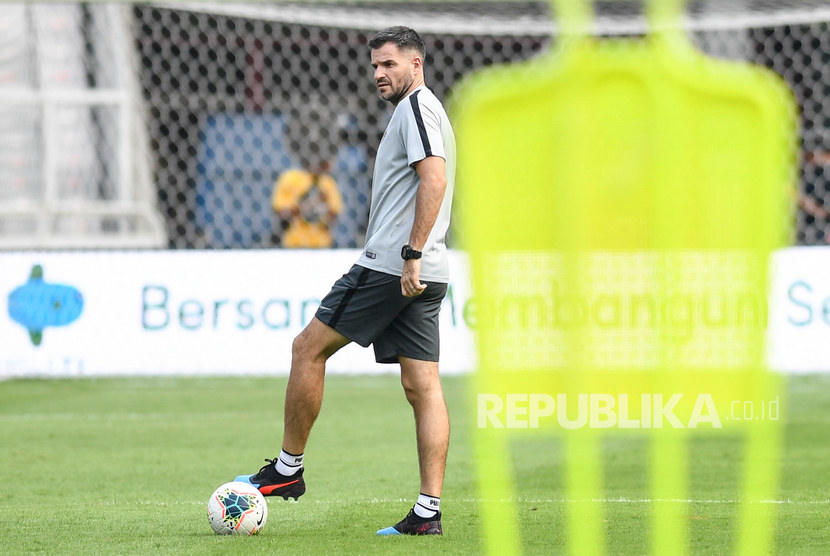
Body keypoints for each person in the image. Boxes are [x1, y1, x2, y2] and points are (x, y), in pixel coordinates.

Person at [235, 26, 456, 536]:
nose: (379, 74)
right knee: (422, 385)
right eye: (375, 65)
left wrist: (411, 254)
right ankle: (427, 513)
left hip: (393, 265)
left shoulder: (418, 108)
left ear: (415, 64)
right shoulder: (423, 110)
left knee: (307, 348)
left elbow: (435, 178)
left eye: (389, 65)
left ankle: (288, 471)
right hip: (428, 268)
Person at [272, 99, 343, 248]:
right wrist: (314, 202)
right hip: (294, 243)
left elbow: (334, 215)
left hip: (321, 244)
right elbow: (283, 214)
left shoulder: (328, 182)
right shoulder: (290, 178)